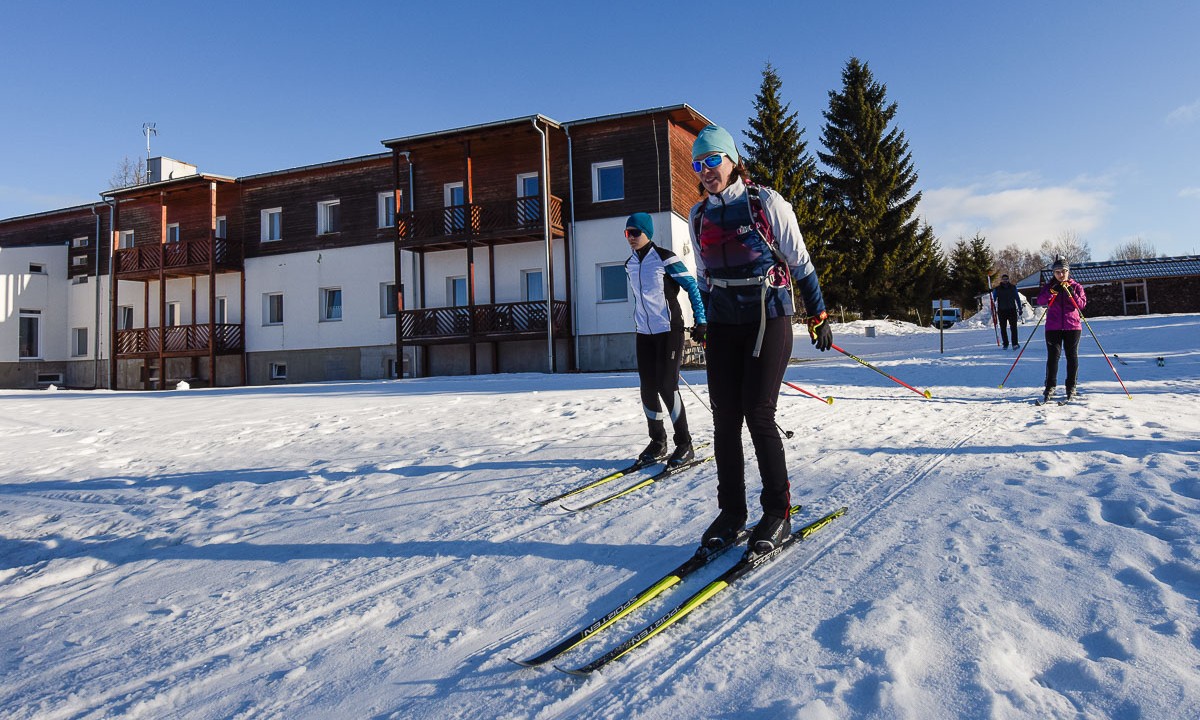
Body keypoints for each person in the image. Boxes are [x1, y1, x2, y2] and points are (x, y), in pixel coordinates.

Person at [686, 124, 833, 554]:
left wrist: (818, 313)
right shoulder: (699, 216)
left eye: (713, 159)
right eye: (698, 163)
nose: (706, 169)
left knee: (758, 411)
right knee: (724, 418)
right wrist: (703, 318)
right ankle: (732, 512)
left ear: (731, 160)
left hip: (769, 316)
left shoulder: (765, 203)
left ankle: (778, 511)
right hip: (724, 321)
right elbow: (702, 275)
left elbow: (800, 261)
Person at [623, 212, 707, 468]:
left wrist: (701, 321)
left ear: (647, 232)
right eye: (627, 233)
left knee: (666, 385)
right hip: (644, 333)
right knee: (647, 387)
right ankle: (658, 441)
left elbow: (691, 285)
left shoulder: (665, 258)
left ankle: (685, 443)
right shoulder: (630, 264)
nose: (631, 238)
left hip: (669, 330)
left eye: (635, 232)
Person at [1036, 256, 1087, 403]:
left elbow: (1081, 305)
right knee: (1053, 357)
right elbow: (1040, 301)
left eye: (1063, 271)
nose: (1060, 275)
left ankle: (1071, 386)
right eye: (1057, 272)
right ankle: (1050, 386)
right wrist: (1051, 291)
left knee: (1072, 356)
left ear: (1068, 272)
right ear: (1053, 273)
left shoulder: (1076, 286)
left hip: (1072, 326)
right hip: (1053, 327)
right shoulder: (1050, 286)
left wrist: (1071, 292)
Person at [991, 273, 1021, 349]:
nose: (1005, 281)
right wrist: (991, 295)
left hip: (1012, 310)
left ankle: (1015, 343)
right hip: (1002, 311)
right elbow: (993, 299)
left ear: (1008, 280)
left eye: (1006, 279)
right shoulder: (997, 289)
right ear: (1002, 280)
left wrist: (1020, 308)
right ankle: (1005, 343)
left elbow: (1017, 298)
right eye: (1004, 279)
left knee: (1013, 327)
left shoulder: (1013, 288)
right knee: (1003, 328)